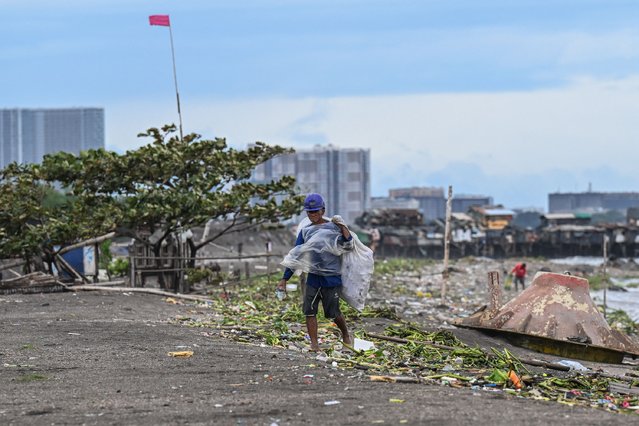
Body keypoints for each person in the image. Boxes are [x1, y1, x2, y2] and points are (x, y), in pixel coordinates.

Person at [277, 193, 353, 352]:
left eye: (315, 211)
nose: (312, 215)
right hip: (313, 278)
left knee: (333, 313)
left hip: (331, 278)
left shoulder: (333, 228)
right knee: (309, 311)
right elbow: (295, 256)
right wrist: (285, 279)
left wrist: (343, 227)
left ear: (323, 210)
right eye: (309, 212)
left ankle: (346, 334)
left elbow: (348, 244)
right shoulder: (305, 232)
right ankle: (314, 344)